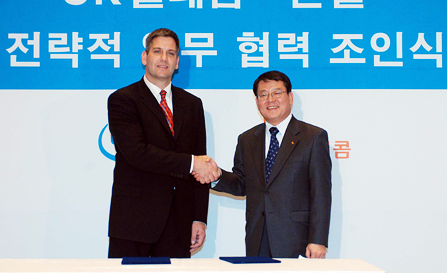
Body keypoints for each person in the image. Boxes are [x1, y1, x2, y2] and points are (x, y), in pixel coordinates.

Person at [107, 28, 219, 258]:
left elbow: (201, 159)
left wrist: (199, 218)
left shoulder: (192, 104)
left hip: (179, 224)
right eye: (157, 51)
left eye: (170, 53)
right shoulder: (123, 100)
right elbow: (137, 153)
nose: (163, 58)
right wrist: (191, 163)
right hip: (134, 222)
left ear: (177, 62)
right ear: (145, 57)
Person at [198, 70, 331, 258]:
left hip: (297, 240)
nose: (270, 100)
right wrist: (217, 176)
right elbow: (242, 183)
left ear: (290, 97)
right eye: (263, 95)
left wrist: (318, 240)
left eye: (277, 93)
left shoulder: (313, 137)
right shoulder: (247, 139)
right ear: (257, 101)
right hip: (257, 238)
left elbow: (321, 194)